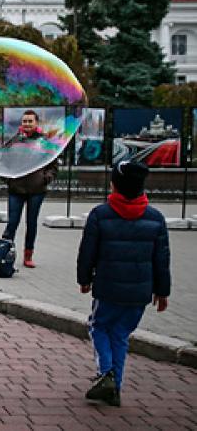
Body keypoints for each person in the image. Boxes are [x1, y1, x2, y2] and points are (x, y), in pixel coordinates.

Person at [77, 161, 170, 407]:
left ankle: (106, 374)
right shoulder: (156, 218)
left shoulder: (100, 214)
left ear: (114, 186)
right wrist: (162, 291)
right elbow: (162, 259)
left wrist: (84, 279)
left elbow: (88, 251)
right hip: (140, 293)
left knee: (98, 327)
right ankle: (115, 386)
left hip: (107, 289)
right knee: (120, 335)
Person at [2, 110, 58, 268]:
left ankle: (28, 255)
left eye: (30, 121)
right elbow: (3, 161)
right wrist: (8, 179)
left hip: (36, 190)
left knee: (31, 223)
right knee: (12, 222)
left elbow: (53, 165)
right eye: (24, 121)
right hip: (16, 189)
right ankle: (4, 253)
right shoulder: (14, 141)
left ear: (36, 123)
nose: (26, 124)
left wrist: (45, 178)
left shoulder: (45, 142)